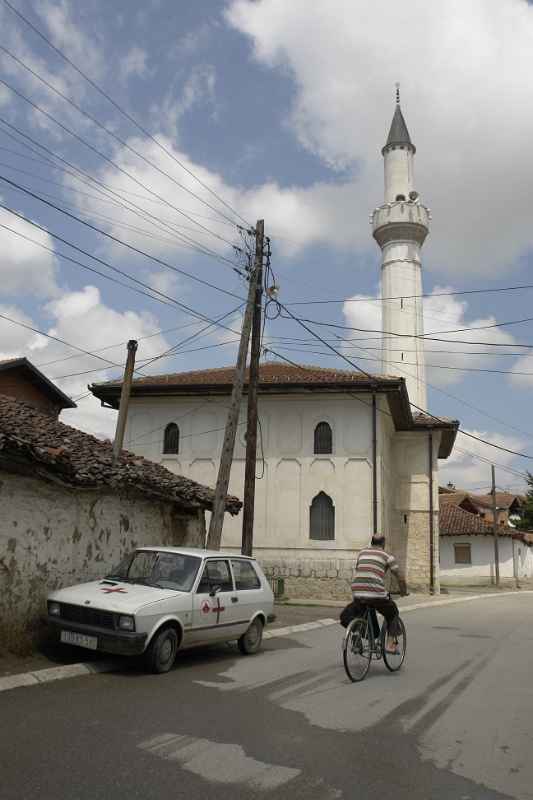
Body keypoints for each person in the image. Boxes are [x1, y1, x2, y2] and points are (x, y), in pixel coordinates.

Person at [350, 534, 407, 654]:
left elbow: (361, 569)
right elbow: (400, 577)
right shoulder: (387, 556)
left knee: (363, 610)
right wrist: (403, 592)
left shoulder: (362, 553)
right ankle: (389, 645)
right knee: (393, 612)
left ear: (371, 543)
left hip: (357, 590)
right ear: (383, 544)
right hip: (376, 593)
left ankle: (357, 634)